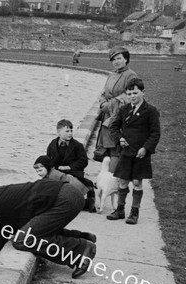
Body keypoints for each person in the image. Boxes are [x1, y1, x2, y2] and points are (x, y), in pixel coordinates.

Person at [107, 78, 160, 225]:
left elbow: (155, 133)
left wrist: (145, 148)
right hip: (126, 152)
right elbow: (114, 127)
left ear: (143, 92)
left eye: (135, 93)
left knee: (137, 182)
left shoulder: (150, 111)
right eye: (129, 93)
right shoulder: (124, 109)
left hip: (140, 153)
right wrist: (119, 139)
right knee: (123, 181)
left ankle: (134, 212)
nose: (132, 96)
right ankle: (120, 209)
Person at [96, 47, 138, 173]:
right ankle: (106, 176)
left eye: (119, 58)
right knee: (107, 147)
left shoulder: (131, 75)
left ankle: (113, 177)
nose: (116, 61)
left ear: (126, 59)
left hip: (120, 117)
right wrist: (103, 102)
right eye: (113, 59)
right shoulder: (112, 74)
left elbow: (131, 95)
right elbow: (104, 92)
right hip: (107, 115)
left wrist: (111, 105)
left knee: (116, 146)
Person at [46, 119, 96, 212]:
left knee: (72, 185)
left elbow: (83, 161)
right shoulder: (52, 145)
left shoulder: (77, 146)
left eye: (71, 131)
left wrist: (69, 167)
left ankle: (85, 200)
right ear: (59, 132)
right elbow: (48, 159)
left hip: (73, 173)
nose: (70, 133)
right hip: (57, 173)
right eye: (67, 131)